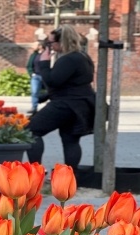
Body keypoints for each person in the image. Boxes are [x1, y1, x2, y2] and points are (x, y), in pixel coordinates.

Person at [26, 25, 95, 171]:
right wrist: (46, 96)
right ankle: (71, 176)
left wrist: (43, 64)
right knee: (70, 140)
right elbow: (70, 83)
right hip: (80, 105)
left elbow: (52, 81)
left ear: (61, 42)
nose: (49, 46)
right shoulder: (83, 57)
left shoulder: (68, 59)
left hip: (66, 105)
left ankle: (35, 171)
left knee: (30, 132)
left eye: (51, 43)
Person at [26, 41, 45, 114]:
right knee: (34, 92)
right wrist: (31, 74)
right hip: (36, 76)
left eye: (34, 45)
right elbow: (29, 66)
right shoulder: (34, 55)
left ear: (40, 46)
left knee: (50, 92)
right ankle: (34, 108)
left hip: (45, 76)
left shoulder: (47, 54)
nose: (32, 47)